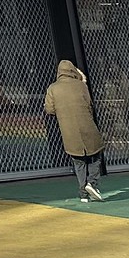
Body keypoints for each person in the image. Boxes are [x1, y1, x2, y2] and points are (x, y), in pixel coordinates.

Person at [44, 58, 107, 202]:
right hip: (87, 125)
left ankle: (83, 193)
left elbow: (49, 109)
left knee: (78, 161)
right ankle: (92, 183)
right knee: (95, 155)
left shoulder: (53, 88)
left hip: (68, 130)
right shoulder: (81, 86)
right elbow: (89, 104)